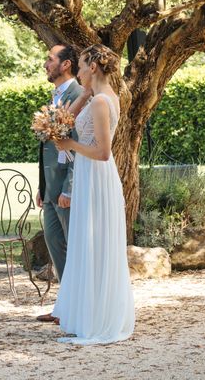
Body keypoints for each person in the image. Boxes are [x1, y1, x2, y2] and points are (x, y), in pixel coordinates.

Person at [51, 44, 135, 344]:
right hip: (89, 177)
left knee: (94, 243)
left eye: (83, 66)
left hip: (96, 176)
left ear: (94, 68)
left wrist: (71, 147)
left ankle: (98, 316)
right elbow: (60, 125)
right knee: (87, 243)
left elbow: (102, 152)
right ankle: (88, 311)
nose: (80, 72)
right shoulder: (95, 98)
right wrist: (84, 94)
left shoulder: (102, 102)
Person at [35, 44, 86, 323]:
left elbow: (78, 145)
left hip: (66, 189)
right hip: (51, 188)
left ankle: (79, 307)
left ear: (66, 64)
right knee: (55, 243)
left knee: (72, 245)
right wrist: (43, 186)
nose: (46, 63)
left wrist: (69, 187)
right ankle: (65, 306)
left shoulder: (78, 95)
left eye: (50, 59)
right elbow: (49, 148)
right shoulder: (55, 97)